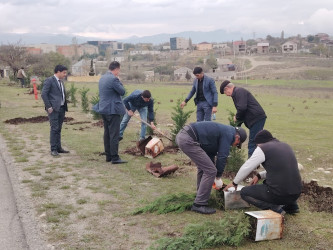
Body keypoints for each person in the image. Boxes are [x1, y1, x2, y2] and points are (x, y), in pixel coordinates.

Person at [223, 130, 302, 215]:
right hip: (296, 193)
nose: (257, 147)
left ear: (260, 143)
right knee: (274, 181)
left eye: (257, 145)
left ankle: (275, 208)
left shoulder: (263, 148)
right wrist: (259, 175)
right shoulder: (286, 146)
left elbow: (247, 166)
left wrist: (235, 183)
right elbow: (278, 169)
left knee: (244, 192)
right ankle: (292, 206)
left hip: (280, 194)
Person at [176, 122, 247, 214]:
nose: (234, 146)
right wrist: (218, 177)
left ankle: (200, 196)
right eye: (237, 144)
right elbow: (222, 156)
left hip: (184, 136)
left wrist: (215, 172)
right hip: (188, 139)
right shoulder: (229, 134)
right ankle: (199, 204)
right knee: (210, 171)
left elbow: (210, 153)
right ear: (237, 137)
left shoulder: (225, 131)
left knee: (205, 168)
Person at [220, 80, 266, 158]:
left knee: (253, 141)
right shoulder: (236, 93)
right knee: (258, 140)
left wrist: (237, 117)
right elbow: (241, 109)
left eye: (226, 93)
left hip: (256, 118)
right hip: (255, 118)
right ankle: (259, 159)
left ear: (227, 88)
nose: (227, 95)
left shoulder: (239, 91)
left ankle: (252, 164)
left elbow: (242, 108)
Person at [93, 61, 127, 164]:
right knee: (114, 134)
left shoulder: (102, 78)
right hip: (112, 110)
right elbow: (122, 91)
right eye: (119, 70)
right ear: (116, 69)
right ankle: (115, 158)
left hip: (103, 108)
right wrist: (119, 81)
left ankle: (108, 156)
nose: (119, 72)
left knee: (107, 133)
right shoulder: (113, 79)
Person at [41, 65, 69, 156]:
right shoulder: (49, 80)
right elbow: (44, 94)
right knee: (54, 128)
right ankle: (53, 149)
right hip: (53, 109)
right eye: (64, 72)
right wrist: (49, 107)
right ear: (58, 72)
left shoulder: (60, 82)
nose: (65, 74)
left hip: (61, 108)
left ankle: (58, 147)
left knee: (59, 129)